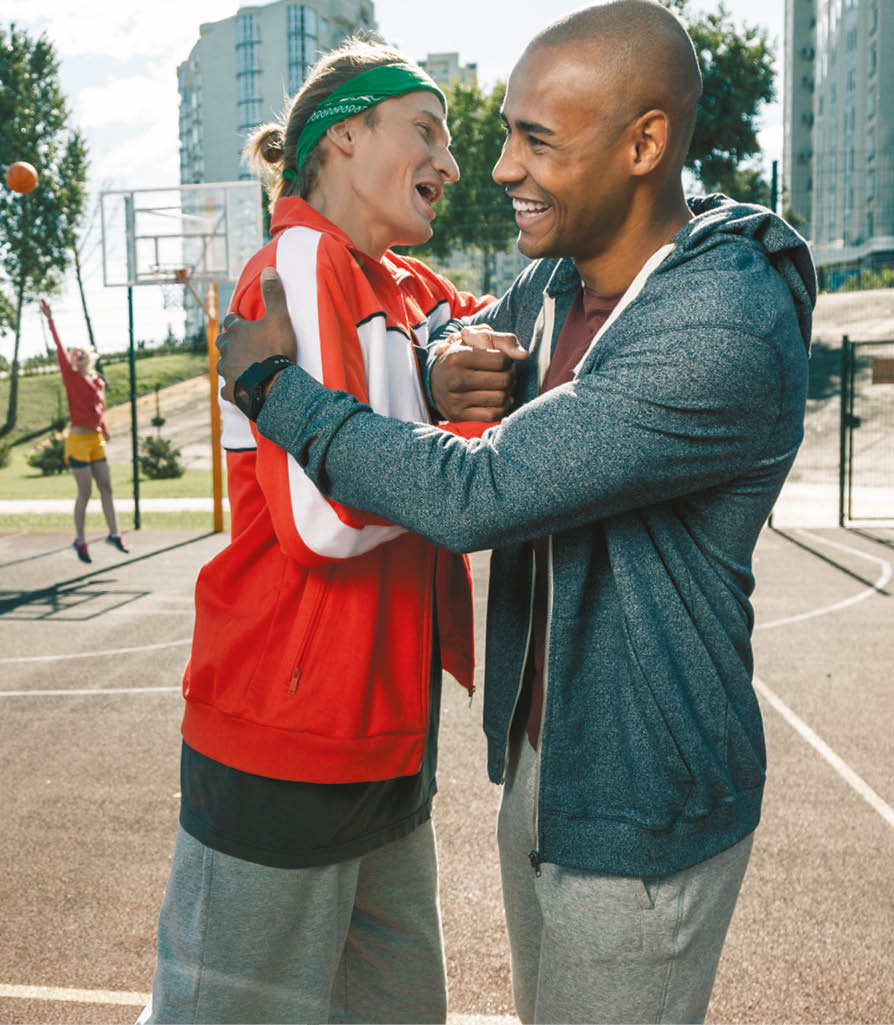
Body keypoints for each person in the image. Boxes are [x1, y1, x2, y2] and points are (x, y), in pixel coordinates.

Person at [215, 2, 816, 1023]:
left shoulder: (725, 317)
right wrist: (441, 357)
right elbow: (447, 333)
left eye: (535, 139)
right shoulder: (554, 280)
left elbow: (473, 492)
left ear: (644, 142)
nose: (497, 168)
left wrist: (274, 386)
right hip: (545, 760)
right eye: (501, 133)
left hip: (642, 797)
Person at [143, 39, 496, 1025]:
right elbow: (320, 519)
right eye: (426, 129)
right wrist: (446, 416)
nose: (452, 161)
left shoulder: (406, 285)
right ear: (347, 133)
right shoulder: (297, 264)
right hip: (283, 738)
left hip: (387, 739)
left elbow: (512, 337)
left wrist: (458, 373)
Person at [39, 300, 128, 563]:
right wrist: (50, 319)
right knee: (85, 492)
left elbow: (99, 408)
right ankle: (80, 540)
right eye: (72, 354)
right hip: (77, 440)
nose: (76, 357)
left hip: (95, 439)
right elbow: (57, 346)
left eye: (80, 354)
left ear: (88, 356)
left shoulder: (98, 379)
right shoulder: (71, 377)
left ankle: (114, 533)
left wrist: (104, 429)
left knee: (107, 488)